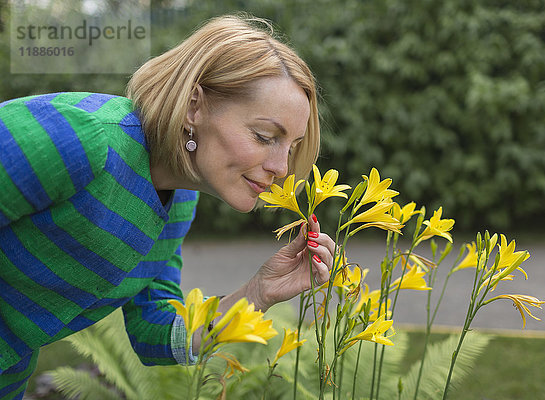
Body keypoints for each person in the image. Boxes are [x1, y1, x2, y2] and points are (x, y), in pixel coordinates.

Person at [0, 14, 335, 399]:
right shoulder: (83, 139)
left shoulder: (178, 202)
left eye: (291, 146)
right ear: (195, 107)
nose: (281, 168)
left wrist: (260, 292)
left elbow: (153, 332)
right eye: (264, 136)